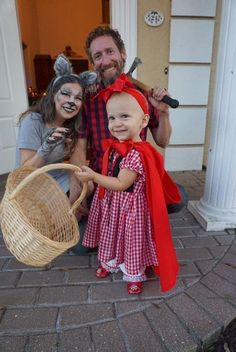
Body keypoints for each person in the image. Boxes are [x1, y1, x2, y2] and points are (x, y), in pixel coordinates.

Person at [69, 26, 187, 253]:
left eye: (110, 51)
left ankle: (137, 221)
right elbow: (80, 146)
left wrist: (163, 112)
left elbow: (162, 141)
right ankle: (115, 224)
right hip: (104, 179)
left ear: (122, 53)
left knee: (179, 197)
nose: (105, 60)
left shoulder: (142, 95)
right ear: (93, 64)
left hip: (136, 179)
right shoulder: (89, 99)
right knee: (80, 247)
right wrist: (82, 183)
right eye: (98, 56)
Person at [75, 74, 180, 294]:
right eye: (111, 118)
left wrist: (93, 176)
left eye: (124, 116)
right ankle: (109, 262)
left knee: (130, 238)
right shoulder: (117, 146)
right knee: (111, 232)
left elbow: (122, 183)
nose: (117, 123)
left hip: (130, 207)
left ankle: (133, 272)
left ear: (143, 121)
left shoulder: (136, 154)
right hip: (114, 204)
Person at [16, 54, 96, 206]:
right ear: (53, 95)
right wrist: (45, 148)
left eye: (78, 98)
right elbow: (24, 172)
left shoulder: (70, 125)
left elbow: (75, 159)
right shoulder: (33, 121)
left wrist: (75, 180)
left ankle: (71, 220)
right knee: (70, 203)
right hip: (31, 182)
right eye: (66, 94)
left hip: (55, 176)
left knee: (88, 185)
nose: (72, 101)